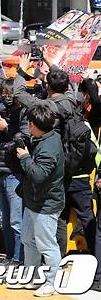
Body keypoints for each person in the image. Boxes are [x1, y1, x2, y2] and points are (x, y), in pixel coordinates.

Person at [15, 55, 96, 257]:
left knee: (57, 217)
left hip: (55, 169)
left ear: (48, 88)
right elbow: (63, 81)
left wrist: (22, 70)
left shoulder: (47, 108)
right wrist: (50, 62)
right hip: (77, 169)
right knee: (86, 217)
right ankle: (94, 258)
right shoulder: (72, 99)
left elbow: (18, 92)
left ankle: (55, 259)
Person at [8, 104, 64, 297]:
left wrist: (24, 157)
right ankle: (31, 277)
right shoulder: (46, 137)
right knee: (28, 240)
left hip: (46, 204)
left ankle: (51, 282)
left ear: (35, 124)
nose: (28, 126)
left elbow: (39, 175)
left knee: (47, 245)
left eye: (29, 123)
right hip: (34, 200)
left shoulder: (48, 147)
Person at [0, 79, 29, 266]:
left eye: (8, 93)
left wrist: (7, 128)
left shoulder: (24, 113)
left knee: (16, 221)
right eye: (2, 93)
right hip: (0, 170)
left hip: (15, 173)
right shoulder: (2, 112)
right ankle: (10, 256)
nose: (5, 97)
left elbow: (26, 138)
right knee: (5, 219)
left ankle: (20, 258)